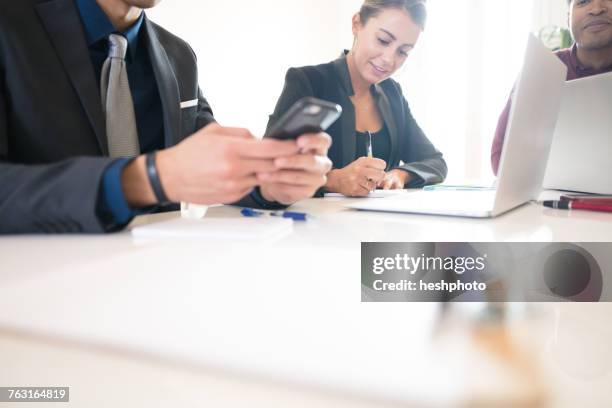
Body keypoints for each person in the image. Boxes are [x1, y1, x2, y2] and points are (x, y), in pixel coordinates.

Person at [0, 0, 332, 234]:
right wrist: (142, 181)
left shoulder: (178, 56)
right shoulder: (10, 25)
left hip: (159, 278)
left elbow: (206, 156)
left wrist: (268, 182)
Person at [266, 0, 447, 198]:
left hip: (378, 226)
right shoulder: (309, 82)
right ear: (356, 24)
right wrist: (333, 180)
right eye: (383, 40)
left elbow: (434, 162)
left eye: (403, 51)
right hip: (313, 224)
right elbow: (269, 167)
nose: (389, 59)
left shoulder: (392, 93)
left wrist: (401, 174)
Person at [491, 0, 612, 175]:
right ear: (568, 18)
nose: (596, 9)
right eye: (583, 1)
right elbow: (501, 159)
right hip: (552, 197)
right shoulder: (540, 70)